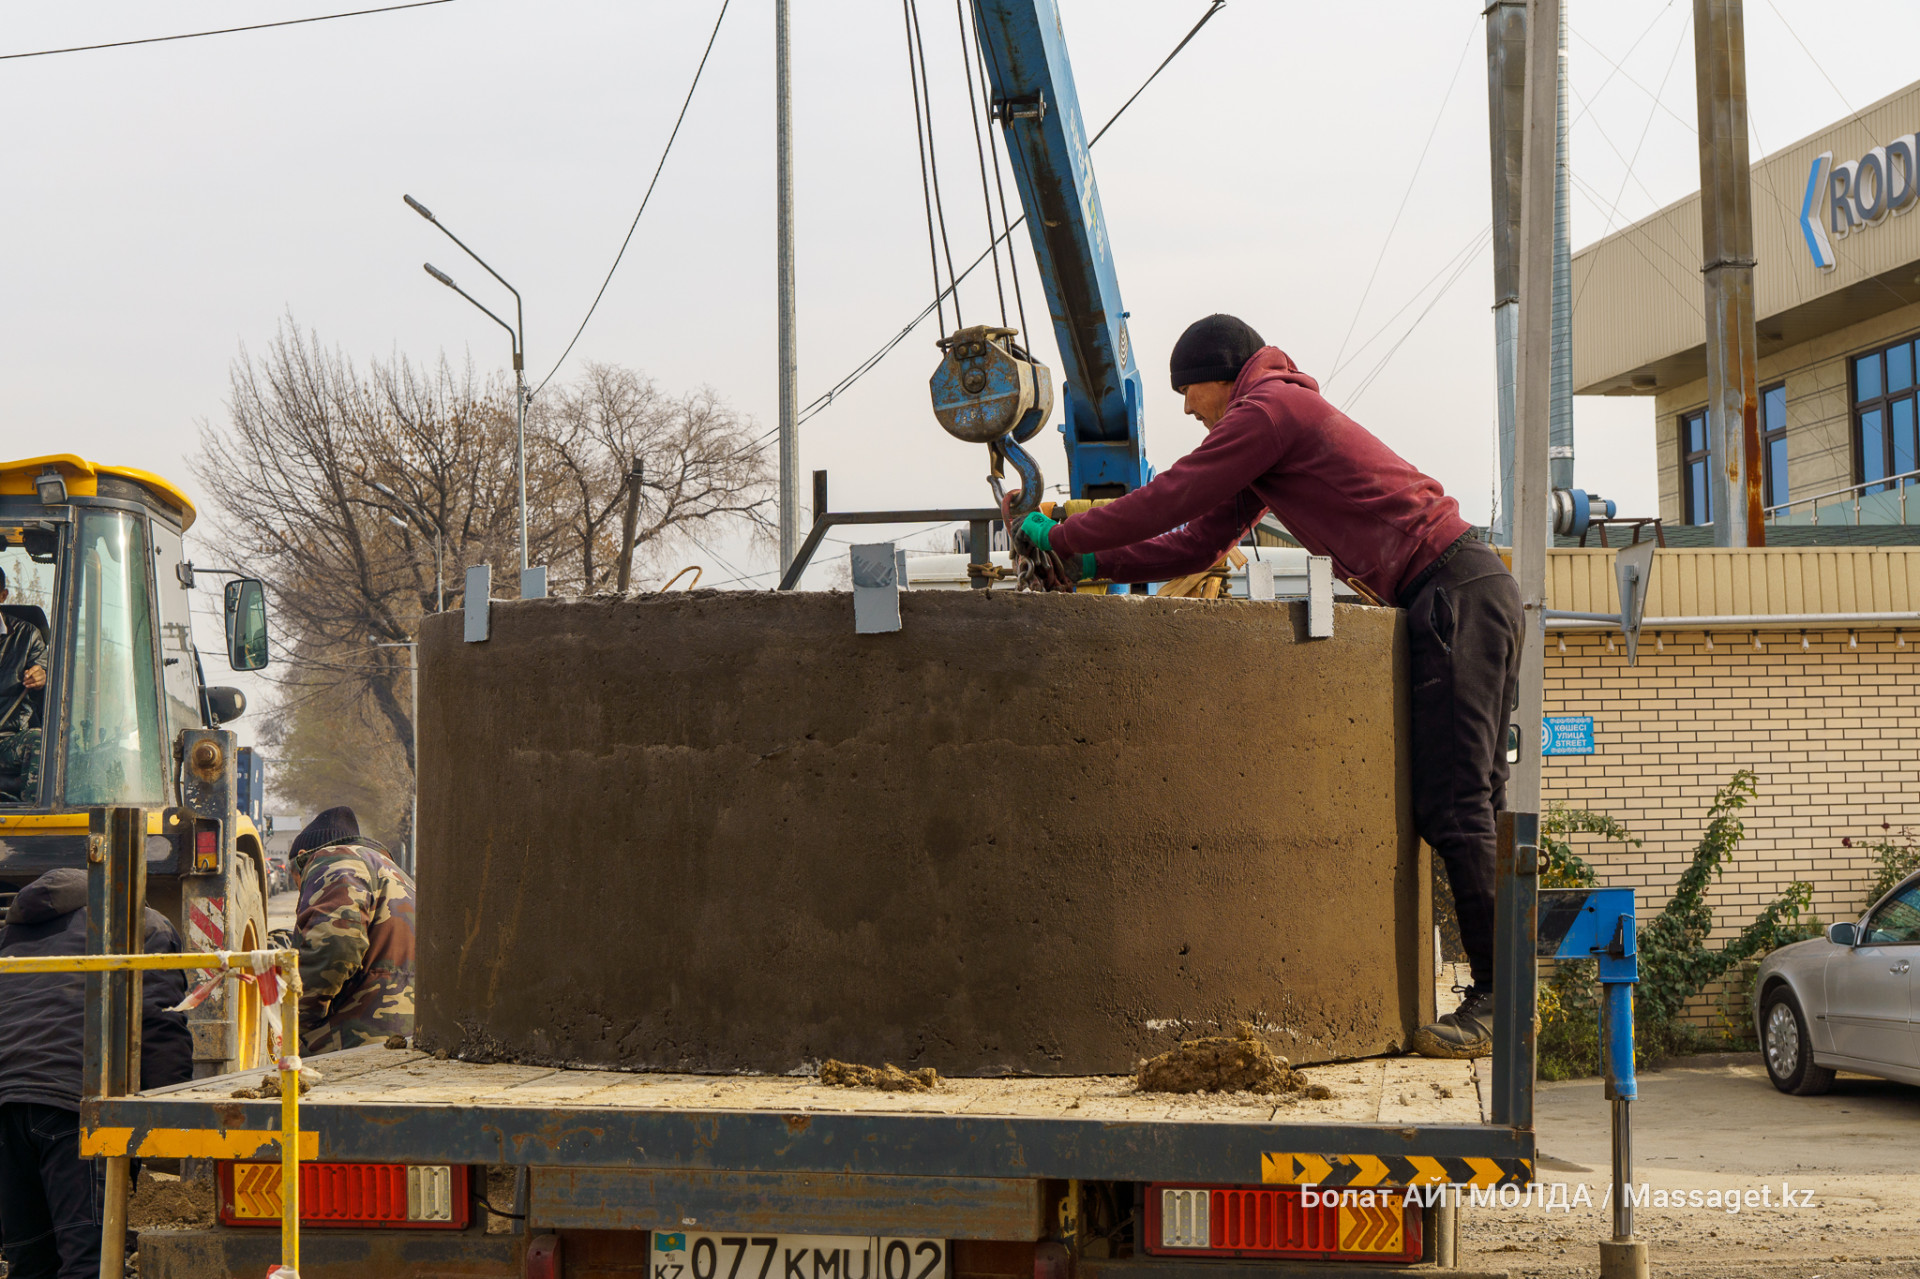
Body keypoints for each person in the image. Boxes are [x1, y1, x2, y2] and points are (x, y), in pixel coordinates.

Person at [1015, 314, 1522, 1059]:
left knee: (1456, 802)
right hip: (1461, 591)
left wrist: (1061, 535)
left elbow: (1171, 497)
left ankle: (1500, 1003)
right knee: (1471, 797)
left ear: (1222, 374)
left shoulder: (1270, 411)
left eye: (1190, 391)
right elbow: (1197, 541)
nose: (1189, 408)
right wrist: (1095, 568)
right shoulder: (1274, 427)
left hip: (1453, 593)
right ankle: (1502, 990)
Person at [0, 869, 192, 1279]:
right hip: (76, 1107)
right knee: (91, 1264)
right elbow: (159, 1025)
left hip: (6, 1106)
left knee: (30, 1262)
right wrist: (165, 1126)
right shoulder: (142, 926)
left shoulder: (12, 936)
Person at [286, 806, 417, 1054]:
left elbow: (335, 946)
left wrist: (298, 1019)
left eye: (298, 883)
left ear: (303, 856)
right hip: (407, 1037)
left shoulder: (333, 860)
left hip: (355, 1041)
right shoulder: (395, 874)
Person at [0, 566, 50, 797]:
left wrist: (41, 678)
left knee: (39, 740)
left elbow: (44, 675)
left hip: (6, 740)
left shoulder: (27, 636)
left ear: (3, 596)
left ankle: (32, 821)